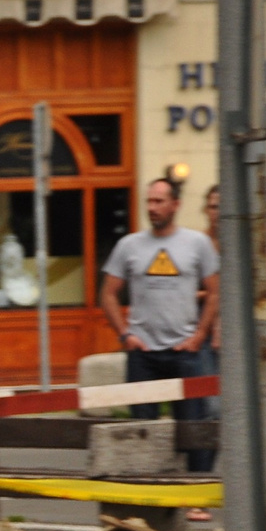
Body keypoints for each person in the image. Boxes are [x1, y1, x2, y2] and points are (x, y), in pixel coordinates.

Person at [100, 178, 219, 474]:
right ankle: (148, 489)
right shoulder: (129, 245)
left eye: (158, 201)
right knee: (143, 428)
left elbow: (217, 290)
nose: (151, 208)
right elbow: (108, 294)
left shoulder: (197, 243)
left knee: (194, 424)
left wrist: (200, 334)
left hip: (185, 351)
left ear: (175, 205)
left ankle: (196, 493)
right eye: (149, 201)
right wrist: (125, 335)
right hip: (143, 351)